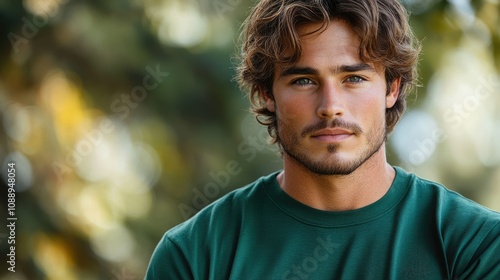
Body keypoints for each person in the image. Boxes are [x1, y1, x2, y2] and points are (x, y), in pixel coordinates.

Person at [146, 0, 500, 279]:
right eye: (303, 80)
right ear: (267, 94)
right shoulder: (195, 254)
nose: (331, 107)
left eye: (354, 79)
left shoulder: (476, 245)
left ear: (392, 88)